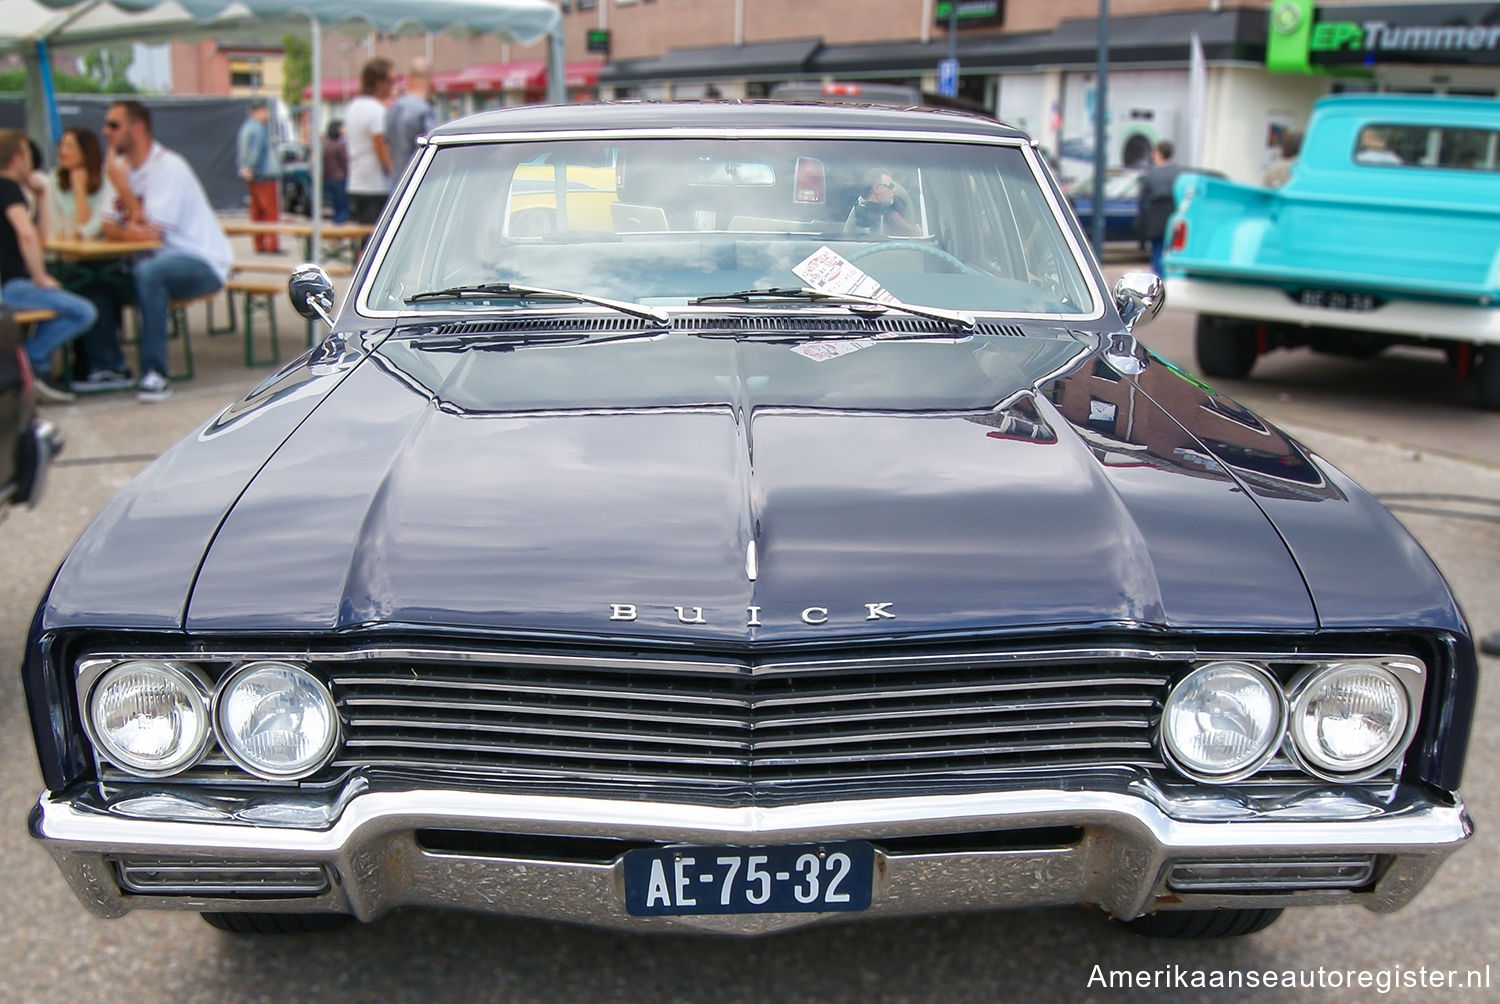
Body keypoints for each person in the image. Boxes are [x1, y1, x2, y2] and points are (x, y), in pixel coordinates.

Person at [99, 100, 232, 403]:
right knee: (93, 279)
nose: (106, 131)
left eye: (114, 125)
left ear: (138, 127)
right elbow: (109, 227)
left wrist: (122, 190)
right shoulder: (118, 169)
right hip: (150, 262)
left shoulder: (169, 167)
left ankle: (155, 373)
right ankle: (108, 366)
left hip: (201, 261)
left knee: (150, 274)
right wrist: (127, 226)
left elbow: (152, 232)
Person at [0, 128, 97, 403]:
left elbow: (39, 236)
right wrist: (40, 277)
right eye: (29, 155)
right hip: (12, 285)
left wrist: (41, 197)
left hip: (12, 283)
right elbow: (27, 234)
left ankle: (35, 367)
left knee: (64, 306)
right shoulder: (7, 188)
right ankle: (30, 361)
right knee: (83, 311)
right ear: (18, 159)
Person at [44, 126, 140, 391]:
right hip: (67, 260)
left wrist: (78, 188)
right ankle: (103, 365)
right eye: (61, 146)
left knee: (90, 282)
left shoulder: (108, 183)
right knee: (82, 282)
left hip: (108, 262)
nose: (62, 151)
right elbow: (54, 229)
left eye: (70, 146)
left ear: (86, 151)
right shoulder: (53, 179)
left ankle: (102, 367)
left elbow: (87, 228)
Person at [347, 57, 395, 240]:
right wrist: (395, 173)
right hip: (374, 185)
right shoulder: (376, 110)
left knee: (365, 240)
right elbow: (381, 149)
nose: (392, 85)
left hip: (357, 181)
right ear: (379, 82)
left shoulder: (354, 106)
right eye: (390, 80)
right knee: (376, 240)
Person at [235, 97, 281, 252]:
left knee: (256, 211)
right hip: (264, 174)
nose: (267, 114)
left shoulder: (245, 128)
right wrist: (252, 167)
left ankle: (259, 244)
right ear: (258, 111)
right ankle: (272, 244)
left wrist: (245, 168)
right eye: (265, 110)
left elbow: (243, 151)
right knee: (270, 212)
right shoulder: (259, 129)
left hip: (252, 175)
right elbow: (257, 151)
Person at [1137, 139, 1184, 275]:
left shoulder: (1151, 175)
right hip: (1175, 220)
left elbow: (1142, 201)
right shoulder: (1180, 173)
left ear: (1159, 153)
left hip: (1156, 222)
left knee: (1157, 252)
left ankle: (1160, 281)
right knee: (1174, 251)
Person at [385, 57, 437, 179]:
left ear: (408, 78)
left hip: (397, 182)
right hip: (419, 180)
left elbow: (387, 144)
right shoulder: (425, 111)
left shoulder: (393, 109)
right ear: (430, 79)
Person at [845, 168, 921, 236]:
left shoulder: (857, 211)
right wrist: (915, 232)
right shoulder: (886, 216)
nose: (894, 190)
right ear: (876, 189)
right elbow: (912, 235)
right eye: (890, 186)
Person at [322, 120, 350, 224]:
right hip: (340, 178)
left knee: (335, 205)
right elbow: (344, 162)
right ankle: (339, 225)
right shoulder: (340, 145)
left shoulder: (325, 145)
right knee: (343, 206)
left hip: (328, 178)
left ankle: (336, 224)